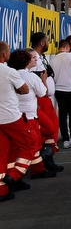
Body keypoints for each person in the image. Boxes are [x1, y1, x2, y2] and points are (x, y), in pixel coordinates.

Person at [7, 49, 55, 179]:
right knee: (32, 144)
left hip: (17, 115)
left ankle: (38, 169)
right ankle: (15, 176)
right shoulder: (31, 77)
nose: (35, 60)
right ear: (26, 61)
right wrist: (43, 79)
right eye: (32, 58)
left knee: (18, 147)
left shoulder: (11, 74)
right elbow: (43, 93)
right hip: (29, 116)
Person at [0, 41, 31, 200]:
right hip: (11, 117)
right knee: (30, 143)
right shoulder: (8, 71)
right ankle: (15, 175)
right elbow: (24, 90)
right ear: (4, 55)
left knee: (3, 153)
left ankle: (2, 190)